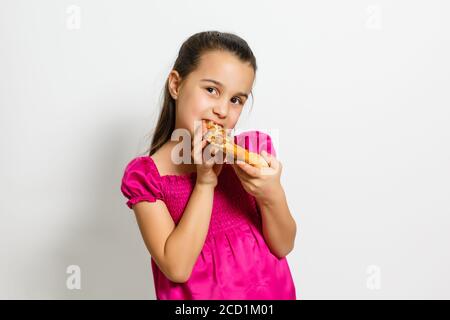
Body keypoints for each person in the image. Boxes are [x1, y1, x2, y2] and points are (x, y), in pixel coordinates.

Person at [120, 31, 297, 300]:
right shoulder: (148, 177)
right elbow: (177, 268)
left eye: (236, 99)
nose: (223, 111)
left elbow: (283, 245)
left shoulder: (252, 155)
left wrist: (272, 194)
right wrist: (205, 182)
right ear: (176, 85)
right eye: (212, 90)